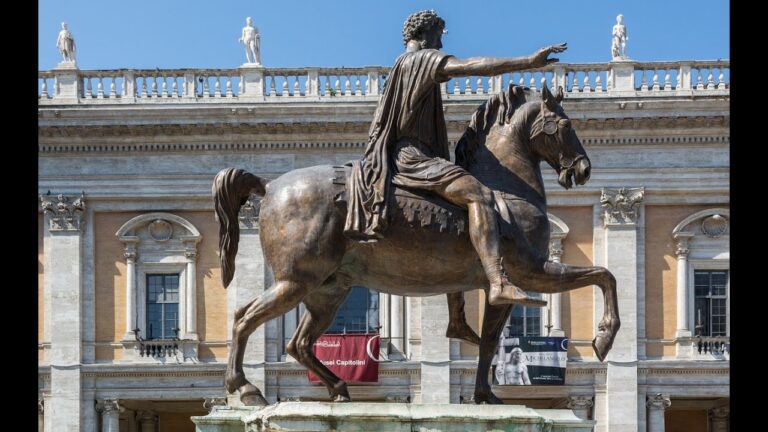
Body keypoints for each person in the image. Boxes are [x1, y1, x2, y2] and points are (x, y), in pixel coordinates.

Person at [344, 10, 565, 309]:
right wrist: (528, 62)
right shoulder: (422, 60)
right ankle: (498, 281)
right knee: (479, 196)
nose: (440, 43)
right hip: (413, 157)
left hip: (402, 154)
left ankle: (458, 318)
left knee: (453, 220)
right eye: (438, 36)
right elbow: (473, 66)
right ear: (425, 35)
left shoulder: (399, 66)